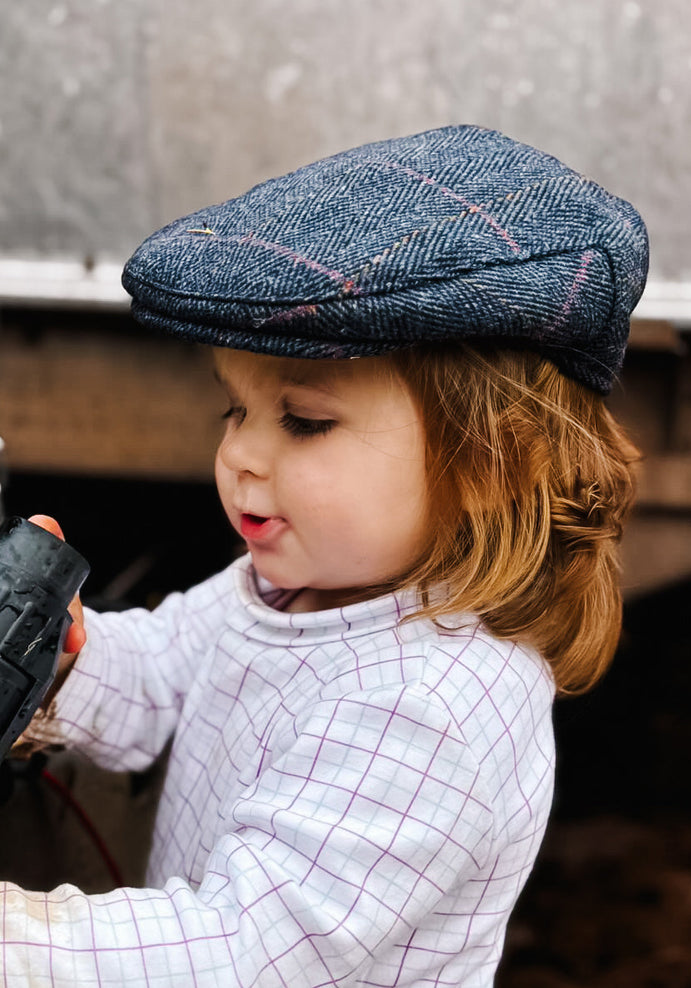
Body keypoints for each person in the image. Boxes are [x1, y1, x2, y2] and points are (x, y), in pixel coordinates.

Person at [1, 124, 648, 986]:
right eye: (233, 411)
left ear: (494, 461)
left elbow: (246, 946)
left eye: (304, 421)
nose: (240, 457)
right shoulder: (287, 590)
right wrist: (60, 651)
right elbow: (162, 674)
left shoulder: (431, 707)